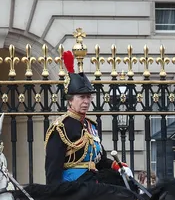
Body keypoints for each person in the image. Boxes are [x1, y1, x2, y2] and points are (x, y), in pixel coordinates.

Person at [44, 50, 133, 185]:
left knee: (125, 184)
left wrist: (117, 166)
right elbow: (53, 171)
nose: (86, 101)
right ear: (70, 100)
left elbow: (100, 160)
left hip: (92, 180)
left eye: (88, 97)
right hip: (73, 186)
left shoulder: (90, 125)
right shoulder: (61, 127)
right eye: (81, 97)